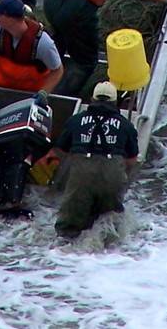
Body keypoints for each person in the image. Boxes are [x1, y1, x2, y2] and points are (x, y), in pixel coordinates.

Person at [54, 81, 138, 238]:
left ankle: (62, 256)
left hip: (81, 174)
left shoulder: (76, 120)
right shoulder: (126, 126)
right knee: (109, 225)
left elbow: (60, 150)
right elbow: (132, 160)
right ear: (115, 102)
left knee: (68, 229)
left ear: (92, 99)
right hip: (113, 175)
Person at [0, 0, 64, 115]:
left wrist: (44, 93)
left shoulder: (43, 43)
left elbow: (57, 70)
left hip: (28, 97)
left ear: (10, 19)